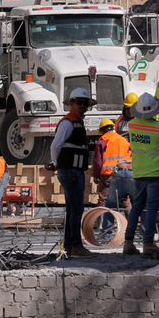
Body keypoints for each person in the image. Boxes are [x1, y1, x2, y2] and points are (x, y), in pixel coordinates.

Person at [123, 94, 159, 258]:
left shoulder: (132, 125)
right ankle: (148, 244)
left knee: (137, 207)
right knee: (152, 208)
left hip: (139, 172)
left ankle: (128, 242)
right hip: (157, 172)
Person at [51, 87, 96, 257]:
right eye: (79, 102)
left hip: (73, 170)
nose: (83, 105)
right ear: (72, 103)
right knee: (76, 208)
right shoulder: (68, 123)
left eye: (85, 103)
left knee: (73, 208)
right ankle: (75, 245)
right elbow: (55, 146)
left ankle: (70, 246)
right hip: (70, 170)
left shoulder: (76, 122)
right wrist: (57, 163)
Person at [93, 117, 134, 209]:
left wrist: (96, 176)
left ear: (102, 130)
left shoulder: (103, 140)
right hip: (125, 174)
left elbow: (98, 162)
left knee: (104, 200)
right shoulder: (124, 140)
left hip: (109, 175)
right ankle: (130, 218)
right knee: (126, 200)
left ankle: (103, 218)